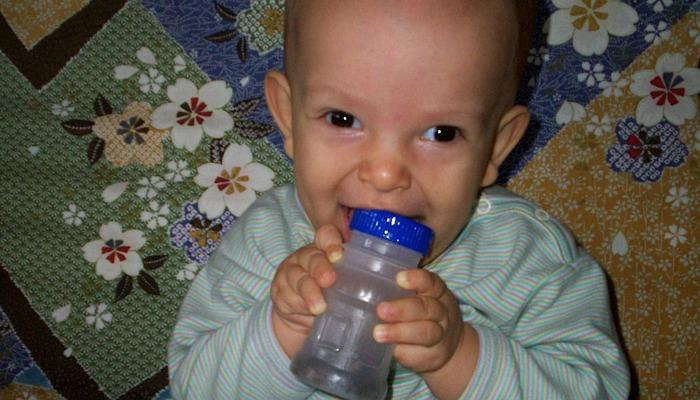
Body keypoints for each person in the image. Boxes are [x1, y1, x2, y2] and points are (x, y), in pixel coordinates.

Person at [168, 1, 630, 399]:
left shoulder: (527, 255)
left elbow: (596, 387)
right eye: (344, 119)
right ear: (289, 117)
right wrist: (284, 329)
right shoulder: (266, 240)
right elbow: (193, 386)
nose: (386, 174)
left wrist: (458, 356)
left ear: (495, 148)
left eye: (441, 133)